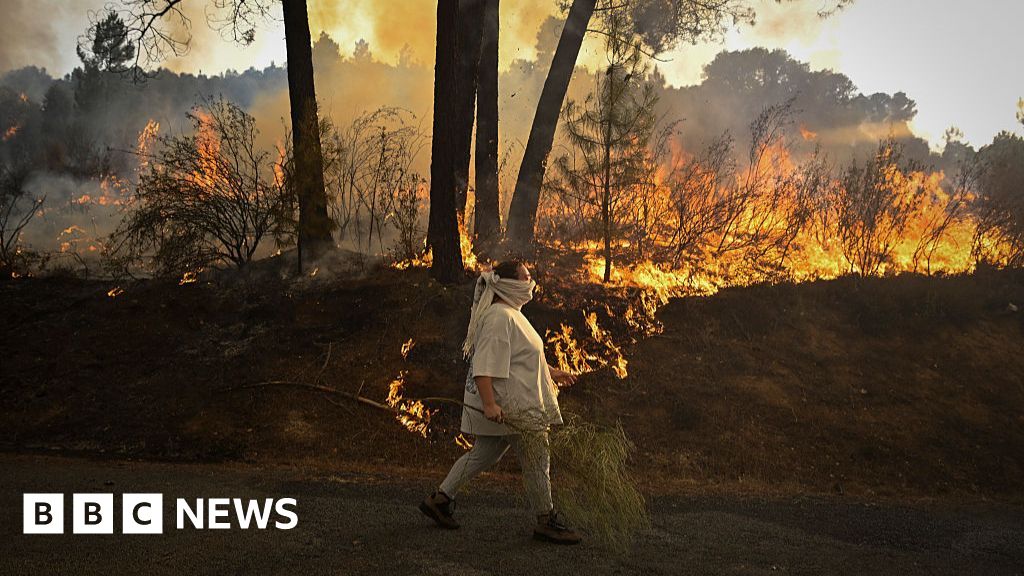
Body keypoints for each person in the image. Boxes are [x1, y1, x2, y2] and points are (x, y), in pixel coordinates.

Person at [419, 260, 582, 544]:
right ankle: (546, 519)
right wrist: (490, 404)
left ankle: (440, 499)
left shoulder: (513, 314)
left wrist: (553, 373)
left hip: (515, 405)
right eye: (525, 277)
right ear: (507, 284)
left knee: (485, 454)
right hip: (512, 407)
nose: (530, 283)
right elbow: (485, 365)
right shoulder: (499, 317)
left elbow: (522, 358)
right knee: (537, 458)